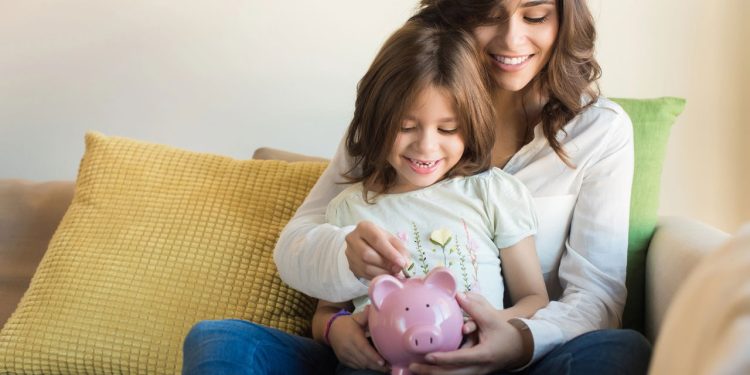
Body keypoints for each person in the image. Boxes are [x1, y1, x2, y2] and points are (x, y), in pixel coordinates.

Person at [273, 0, 651, 374]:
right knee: (227, 340)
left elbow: (596, 297)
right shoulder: (394, 112)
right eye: (489, 16)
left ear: (565, 21)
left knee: (620, 350)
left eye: (535, 16)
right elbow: (297, 247)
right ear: (457, 15)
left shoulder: (600, 131)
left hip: (530, 355)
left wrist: (517, 340)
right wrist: (337, 304)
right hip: (384, 356)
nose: (512, 38)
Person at [310, 21, 549, 374]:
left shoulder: (492, 192)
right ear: (376, 120)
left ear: (472, 125)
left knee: (619, 346)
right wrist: (335, 330)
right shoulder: (349, 208)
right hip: (381, 364)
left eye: (447, 129)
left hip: (482, 362)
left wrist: (495, 326)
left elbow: (534, 298)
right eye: (406, 127)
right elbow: (326, 311)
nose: (426, 146)